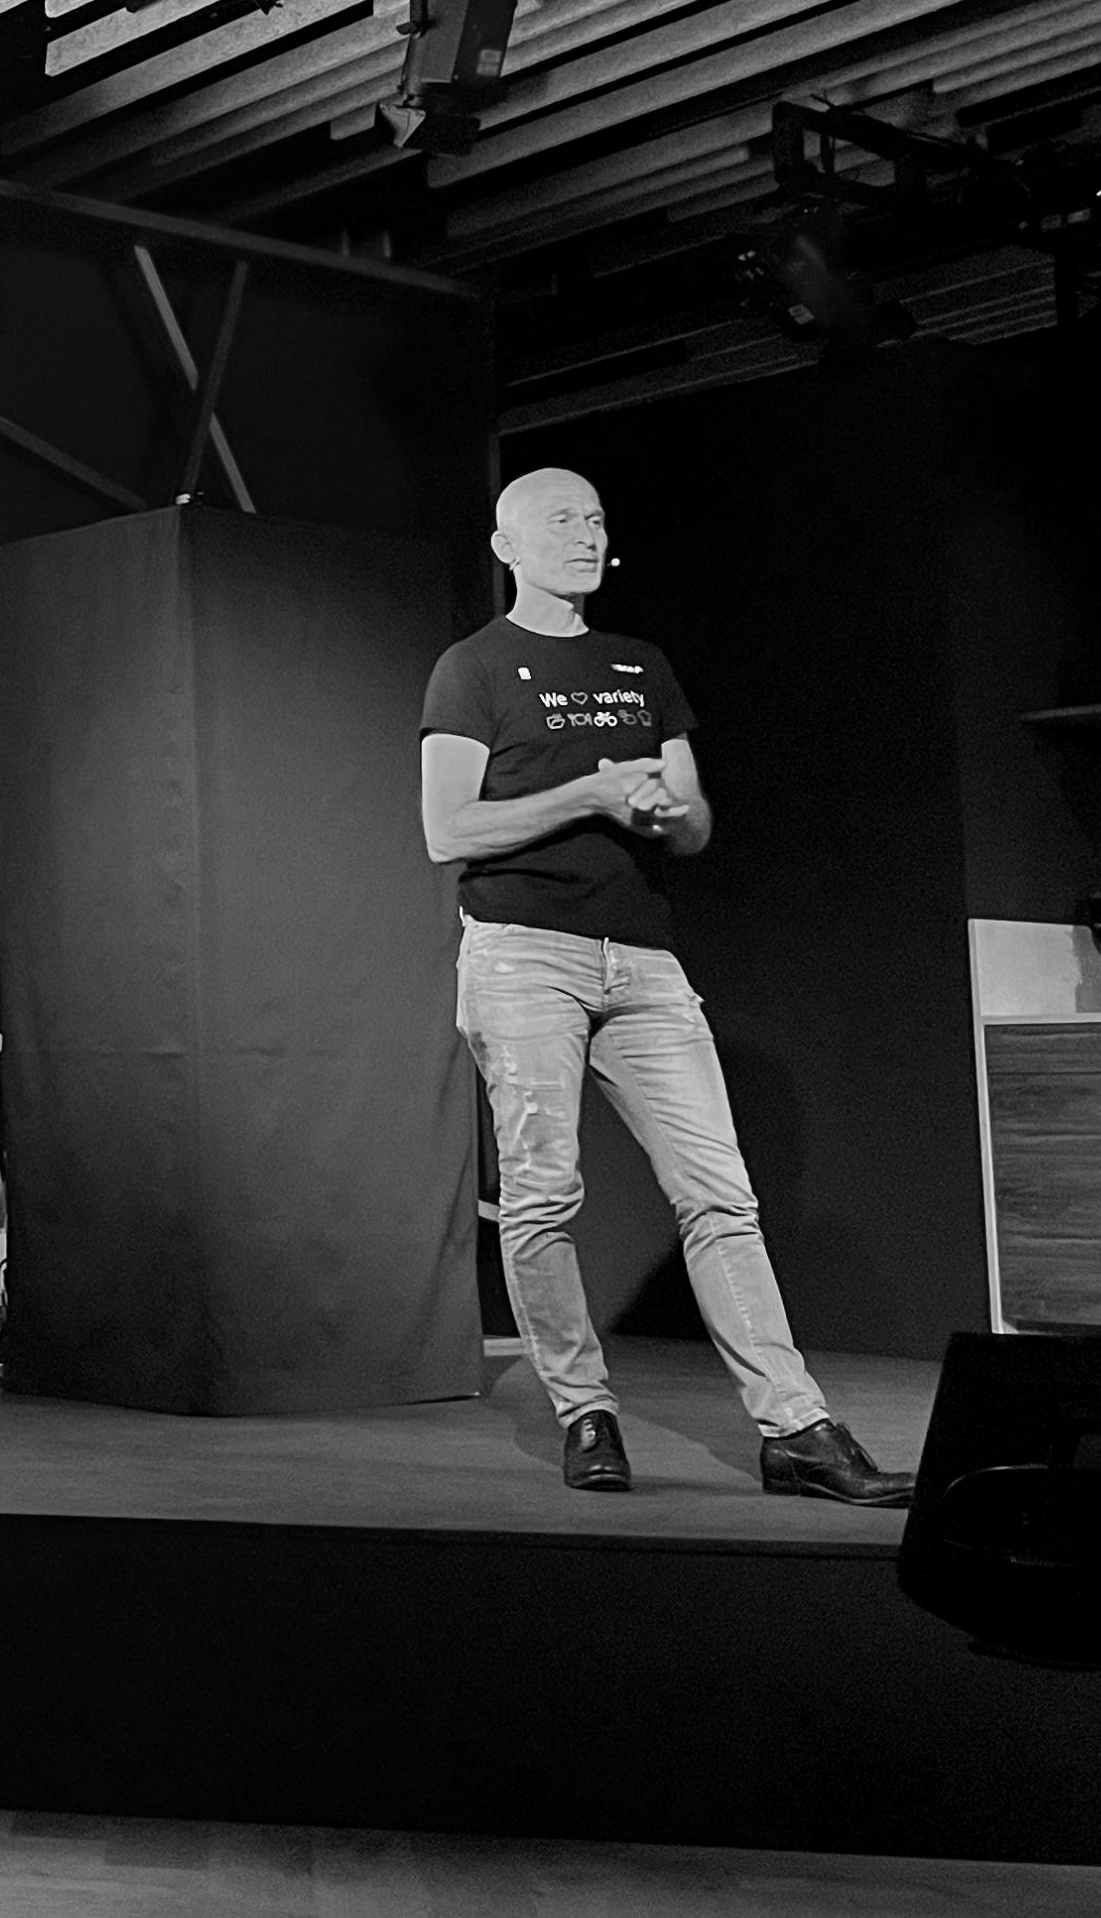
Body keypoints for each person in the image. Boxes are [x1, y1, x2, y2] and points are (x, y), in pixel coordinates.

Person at [414, 467, 912, 1507]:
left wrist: (663, 812)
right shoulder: (473, 667)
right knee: (544, 1194)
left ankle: (797, 1430)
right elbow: (447, 830)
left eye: (596, 519)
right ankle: (583, 1412)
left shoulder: (641, 666)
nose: (585, 534)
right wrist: (590, 793)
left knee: (720, 1195)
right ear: (506, 546)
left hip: (642, 958)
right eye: (561, 519)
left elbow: (694, 823)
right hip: (523, 953)